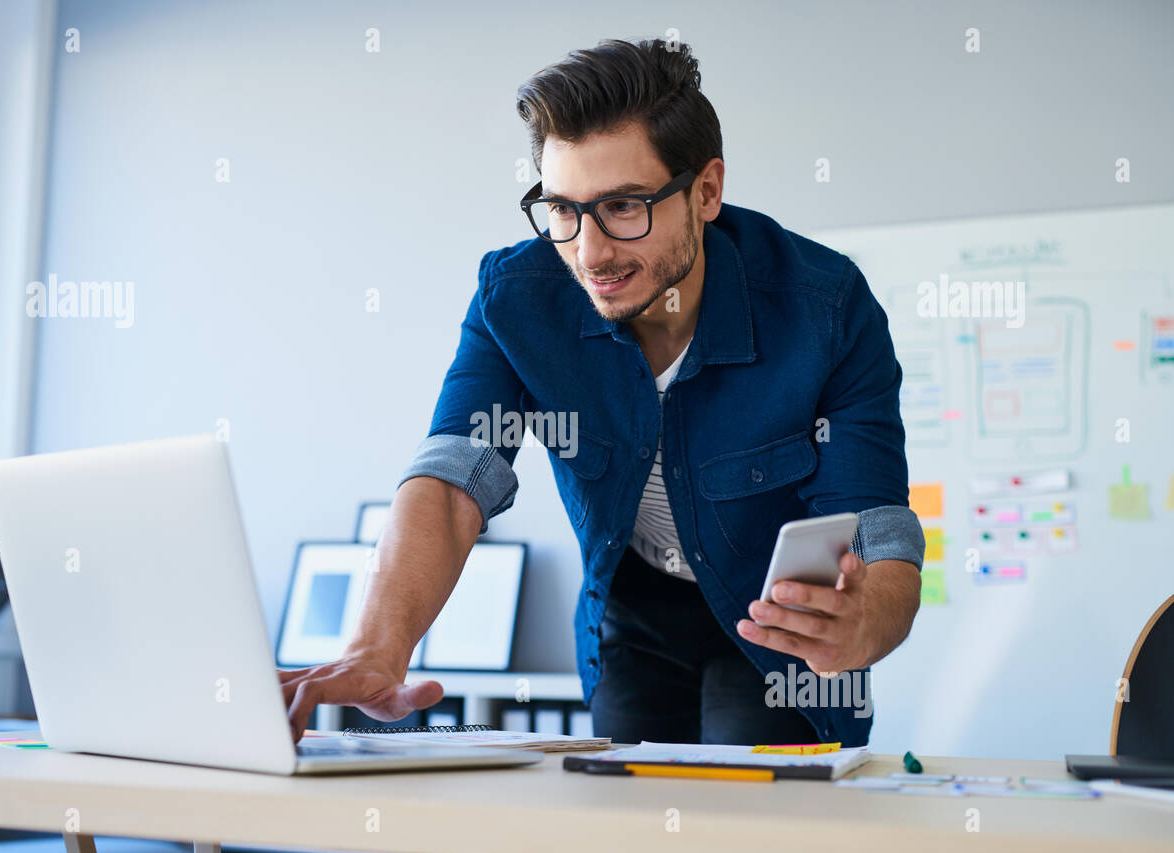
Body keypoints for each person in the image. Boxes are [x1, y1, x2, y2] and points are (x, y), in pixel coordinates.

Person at [281, 38, 923, 747]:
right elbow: (453, 477)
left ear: (706, 192)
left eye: (623, 206)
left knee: (754, 803)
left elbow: (877, 528)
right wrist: (375, 647)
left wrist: (868, 621)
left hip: (777, 622)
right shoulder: (516, 299)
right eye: (562, 209)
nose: (589, 253)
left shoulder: (826, 307)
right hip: (634, 611)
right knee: (625, 802)